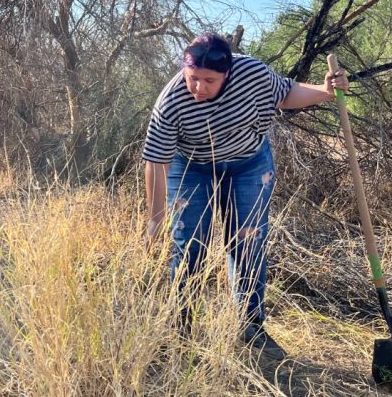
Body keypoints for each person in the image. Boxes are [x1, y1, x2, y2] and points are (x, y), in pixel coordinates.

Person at [142, 32, 348, 359]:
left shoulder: (252, 74)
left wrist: (325, 91)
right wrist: (155, 220)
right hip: (192, 167)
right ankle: (181, 329)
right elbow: (156, 163)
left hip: (249, 165)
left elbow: (286, 94)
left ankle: (252, 327)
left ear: (228, 73)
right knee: (189, 244)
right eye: (193, 78)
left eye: (209, 80)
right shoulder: (171, 101)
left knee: (247, 242)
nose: (198, 87)